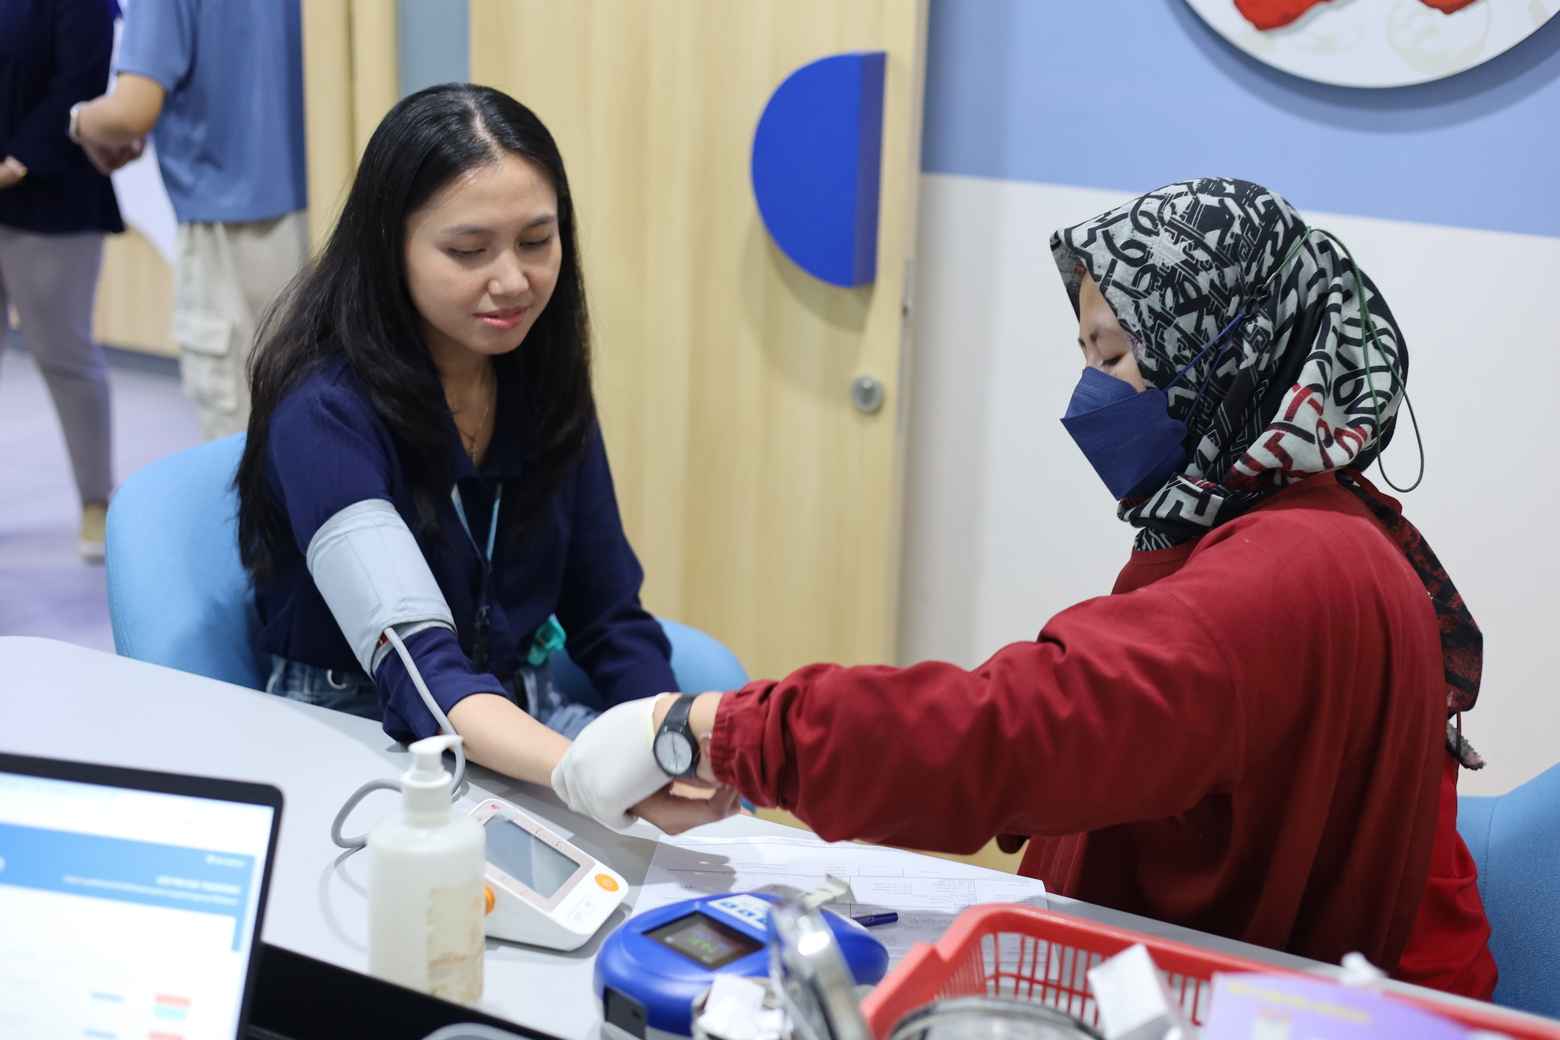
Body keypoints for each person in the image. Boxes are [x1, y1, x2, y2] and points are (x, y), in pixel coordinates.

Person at [550, 179, 1498, 998]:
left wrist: (714, 731)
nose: (1092, 396)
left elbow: (1011, 731)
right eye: (1086, 357)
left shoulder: (1276, 582)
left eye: (1119, 357)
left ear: (1228, 352)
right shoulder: (1317, 525)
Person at [233, 84, 733, 836]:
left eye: (537, 241)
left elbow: (607, 616)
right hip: (359, 720)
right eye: (468, 251)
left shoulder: (539, 376)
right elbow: (416, 667)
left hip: (512, 711)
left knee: (720, 847)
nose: (513, 281)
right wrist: (582, 774)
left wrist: (666, 749)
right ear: (388, 248)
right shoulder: (324, 410)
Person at [71, 0, 309, 440]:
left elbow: (131, 112)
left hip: (227, 232)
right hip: (324, 206)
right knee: (315, 413)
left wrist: (79, 121)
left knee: (240, 437)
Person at [0, 0, 124, 560]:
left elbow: (80, 82)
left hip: (51, 198)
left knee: (65, 355)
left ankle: (96, 502)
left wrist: (18, 160)